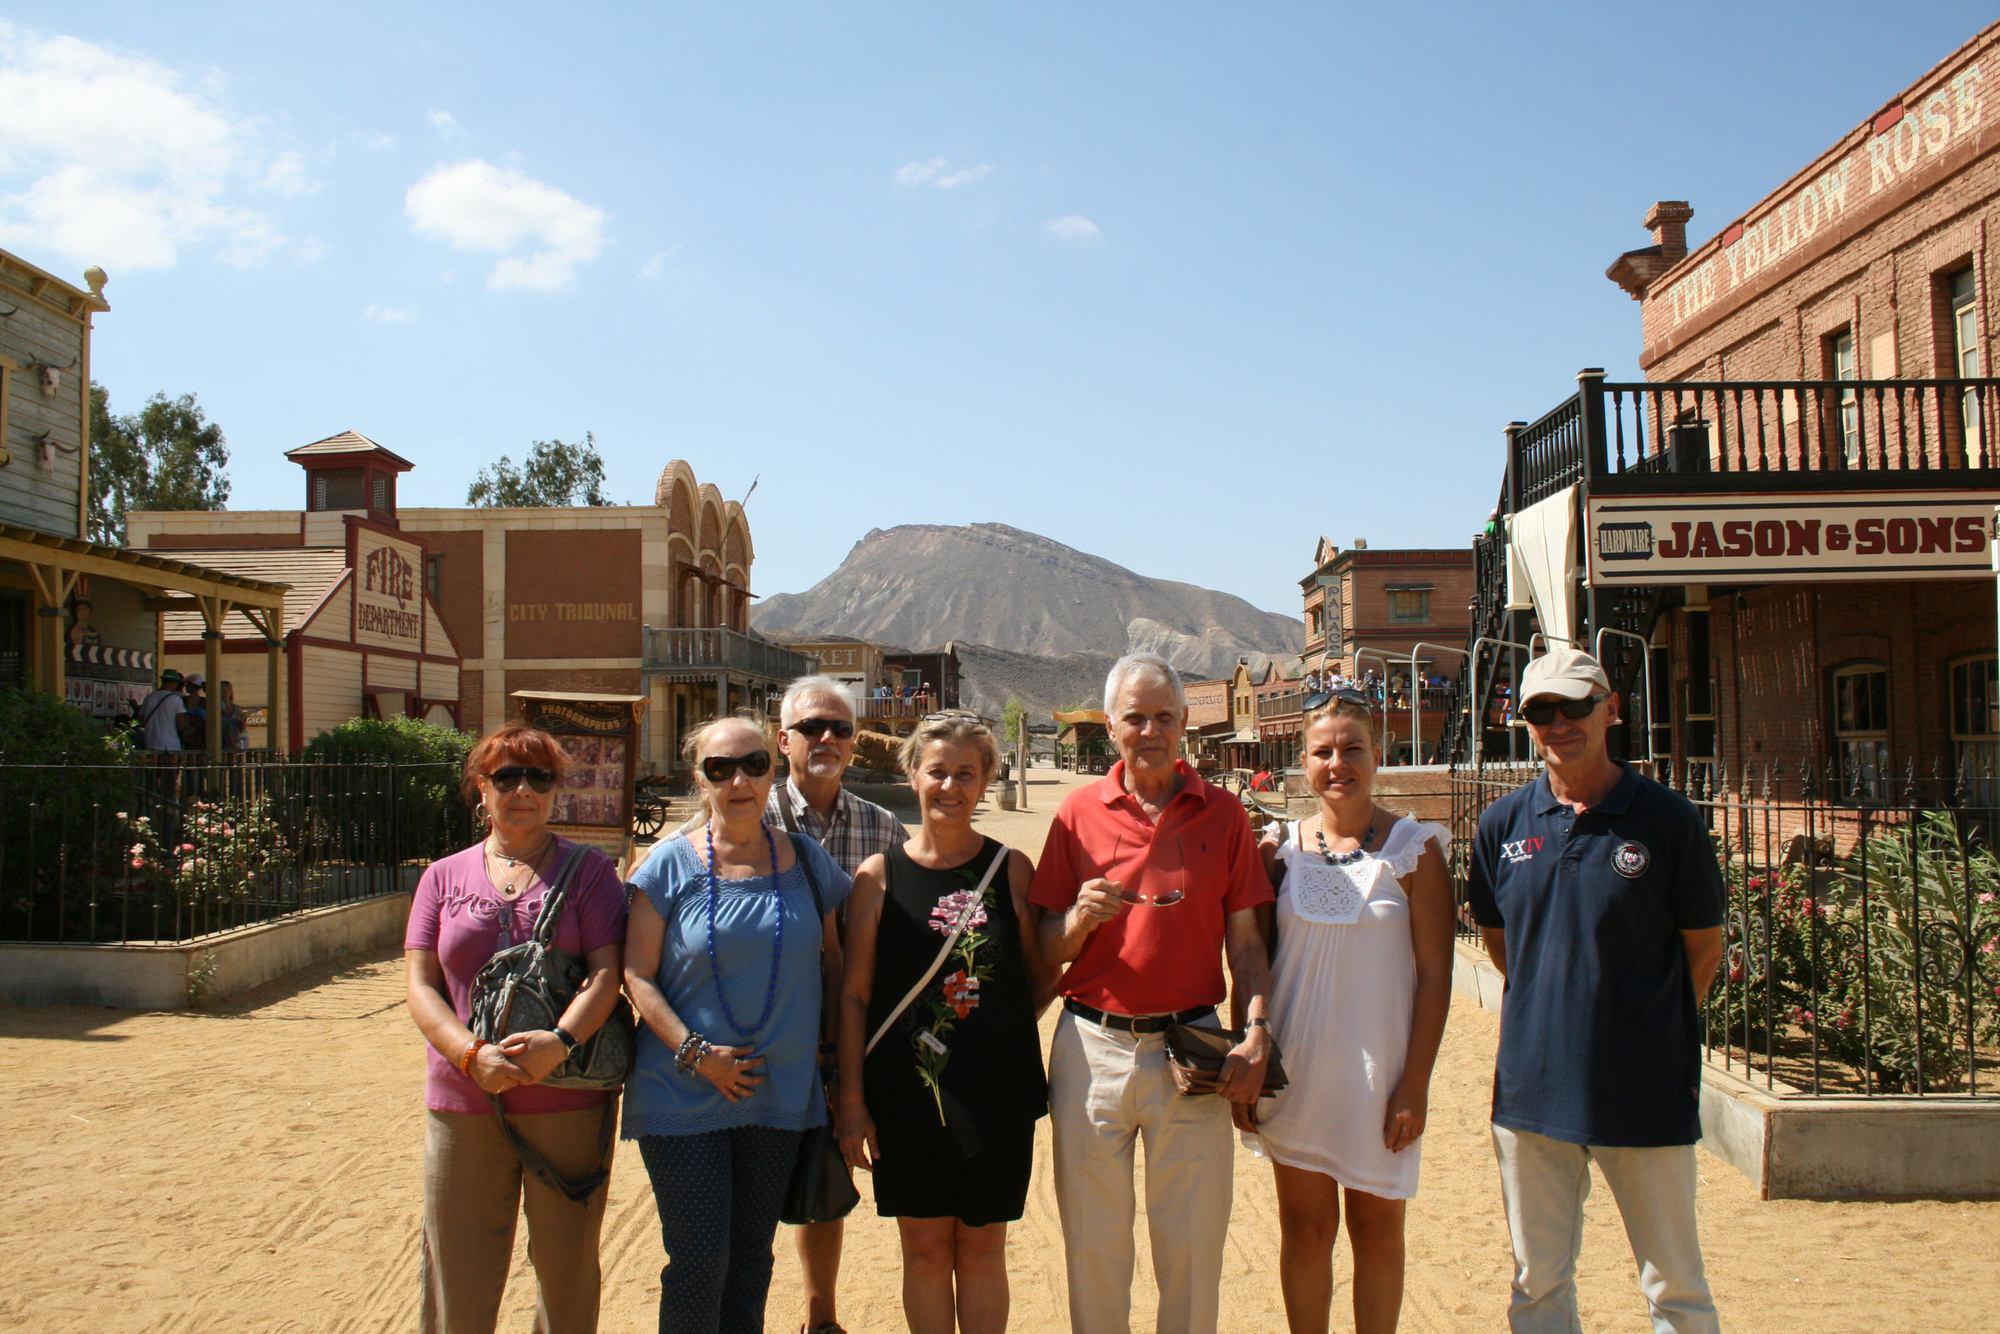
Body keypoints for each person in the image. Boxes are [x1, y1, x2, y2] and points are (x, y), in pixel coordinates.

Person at [1466, 648, 1724, 1333]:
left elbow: (1704, 948)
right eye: (1541, 711)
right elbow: (1503, 945)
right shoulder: (1502, 827)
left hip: (1644, 1088)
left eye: (1575, 706)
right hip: (1531, 1093)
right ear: (1524, 724)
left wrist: (1647, 1023)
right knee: (1538, 1287)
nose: (1559, 723)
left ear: (1611, 707)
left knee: (1675, 1287)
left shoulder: (1668, 821)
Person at [1030, 652, 1274, 1334]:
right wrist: (1077, 919)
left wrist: (1255, 1030)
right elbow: (1044, 949)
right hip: (1091, 1047)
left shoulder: (1224, 816)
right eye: (1134, 717)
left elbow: (1248, 945)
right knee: (1093, 1243)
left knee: (1192, 1246)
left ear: (1185, 722)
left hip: (1193, 1046)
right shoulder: (1076, 815)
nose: (1150, 730)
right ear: (1111, 727)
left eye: (1163, 715)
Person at [625, 715, 852, 1334]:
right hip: (684, 1091)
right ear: (699, 779)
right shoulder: (667, 866)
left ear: (773, 770)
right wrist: (699, 1054)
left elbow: (834, 966)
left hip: (777, 1096)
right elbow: (636, 976)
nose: (739, 781)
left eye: (753, 764)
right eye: (720, 768)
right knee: (700, 1262)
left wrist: (837, 1072)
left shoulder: (807, 862)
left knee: (751, 1261)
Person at [403, 721, 628, 1333]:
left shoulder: (589, 874)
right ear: (482, 787)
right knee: (459, 1269)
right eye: (507, 776)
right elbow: (421, 985)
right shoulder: (442, 878)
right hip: (461, 1101)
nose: (522, 789)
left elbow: (607, 975)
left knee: (567, 1272)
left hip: (568, 1097)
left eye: (539, 777)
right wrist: (470, 1054)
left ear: (556, 790)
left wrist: (559, 1043)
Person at [837, 714, 1057, 1333]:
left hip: (996, 1094)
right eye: (938, 771)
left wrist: (999, 1032)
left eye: (967, 772)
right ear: (913, 775)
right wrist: (852, 1102)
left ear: (987, 778)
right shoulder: (876, 879)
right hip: (906, 1095)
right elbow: (854, 996)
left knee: (985, 1250)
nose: (951, 786)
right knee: (926, 1249)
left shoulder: (1012, 870)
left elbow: (1042, 974)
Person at [1249, 693, 1453, 1333]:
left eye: (1352, 748)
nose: (1338, 763)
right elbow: (1252, 961)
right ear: (1302, 760)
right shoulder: (1277, 851)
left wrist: (1414, 1083)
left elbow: (1436, 976)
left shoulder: (1415, 851)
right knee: (1305, 1234)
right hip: (1300, 1077)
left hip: (1380, 1083)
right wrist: (1249, 1056)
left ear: (1378, 754)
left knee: (1377, 1232)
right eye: (1323, 751)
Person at [771, 674, 909, 1334]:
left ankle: (818, 1319)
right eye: (811, 728)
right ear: (783, 740)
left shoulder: (883, 830)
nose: (826, 738)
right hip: (759, 1035)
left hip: (844, 1037)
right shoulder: (745, 814)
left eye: (840, 729)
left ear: (854, 745)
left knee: (823, 1181)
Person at [136, 669, 186, 752]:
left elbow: (141, 720)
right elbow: (181, 724)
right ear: (175, 683)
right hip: (170, 744)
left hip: (150, 743)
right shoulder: (176, 699)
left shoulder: (149, 698)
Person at [218, 680, 248, 752]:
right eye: (220, 692)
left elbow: (242, 729)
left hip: (235, 744)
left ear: (230, 693)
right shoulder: (215, 708)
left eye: (224, 692)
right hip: (220, 743)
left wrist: (242, 722)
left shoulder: (237, 709)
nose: (222, 695)